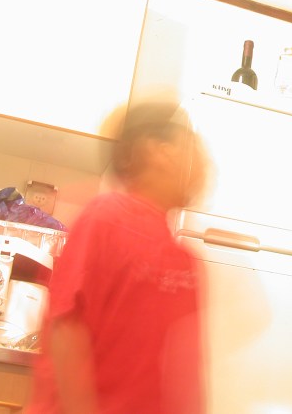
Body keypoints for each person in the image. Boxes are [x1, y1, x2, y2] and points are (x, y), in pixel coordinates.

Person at [27, 101, 208, 414]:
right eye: (193, 147)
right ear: (159, 152)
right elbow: (66, 330)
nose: (206, 165)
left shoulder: (185, 260)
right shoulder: (106, 218)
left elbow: (179, 374)